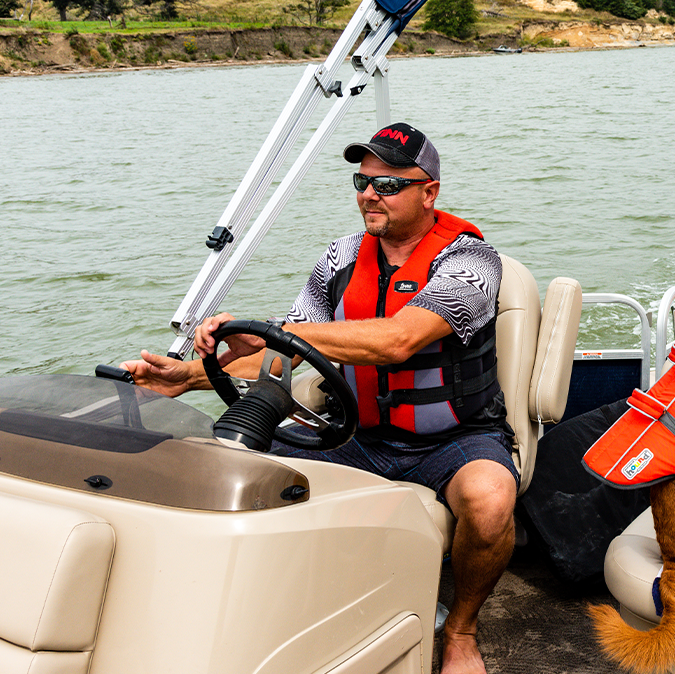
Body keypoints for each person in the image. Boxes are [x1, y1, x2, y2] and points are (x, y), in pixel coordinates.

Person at [122, 122, 512, 674]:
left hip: (454, 439)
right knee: (230, 472)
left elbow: (398, 340)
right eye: (362, 181)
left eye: (389, 184)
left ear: (430, 193)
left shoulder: (472, 262)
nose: (370, 194)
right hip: (352, 433)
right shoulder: (339, 258)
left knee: (491, 500)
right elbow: (287, 352)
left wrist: (270, 328)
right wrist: (186, 375)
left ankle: (462, 631)